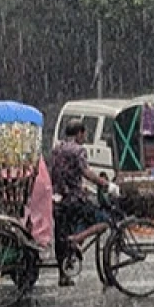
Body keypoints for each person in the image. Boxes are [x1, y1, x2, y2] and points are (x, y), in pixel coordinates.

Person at [51, 119, 121, 285]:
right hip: (74, 199)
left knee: (61, 235)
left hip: (58, 199)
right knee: (105, 221)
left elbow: (62, 173)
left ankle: (63, 274)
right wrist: (105, 184)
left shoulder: (57, 149)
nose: (85, 137)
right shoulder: (78, 150)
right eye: (84, 134)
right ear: (79, 133)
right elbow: (86, 172)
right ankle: (77, 239)